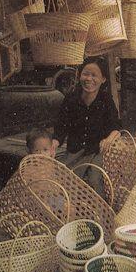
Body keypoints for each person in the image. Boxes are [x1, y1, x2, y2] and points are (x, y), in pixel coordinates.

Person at [52, 57, 121, 191]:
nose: (89, 79)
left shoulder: (105, 100)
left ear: (103, 79)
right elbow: (60, 127)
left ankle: (98, 209)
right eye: (86, 74)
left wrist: (109, 139)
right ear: (79, 76)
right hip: (76, 150)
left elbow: (116, 126)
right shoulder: (71, 99)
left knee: (94, 179)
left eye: (94, 75)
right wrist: (53, 145)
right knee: (61, 178)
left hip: (98, 151)